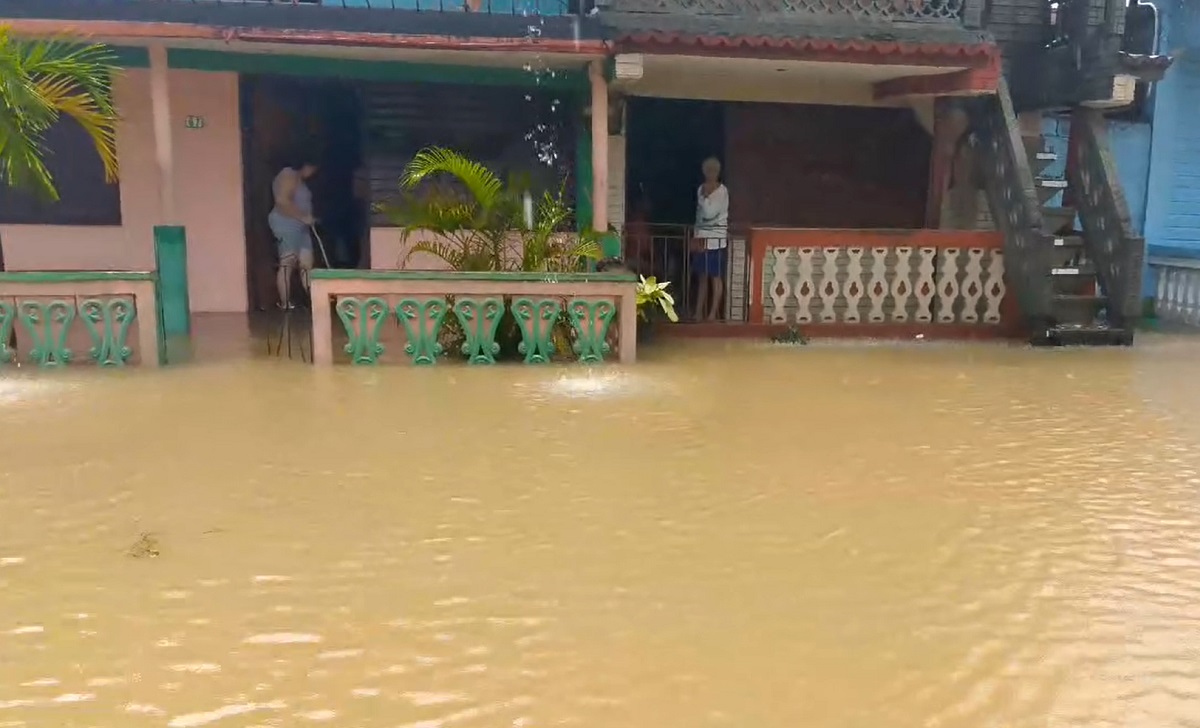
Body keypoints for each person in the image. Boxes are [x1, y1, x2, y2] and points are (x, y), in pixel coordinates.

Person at [268, 157, 318, 309]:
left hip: (302, 226)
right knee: (287, 263)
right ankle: (285, 303)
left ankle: (314, 300)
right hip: (286, 224)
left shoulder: (300, 179)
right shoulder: (288, 175)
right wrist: (303, 216)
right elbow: (282, 201)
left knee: (306, 263)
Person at [691, 156, 729, 321]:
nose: (710, 174)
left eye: (713, 171)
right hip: (702, 238)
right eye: (707, 170)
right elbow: (699, 216)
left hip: (716, 239)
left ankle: (713, 313)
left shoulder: (722, 191)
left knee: (715, 276)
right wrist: (696, 236)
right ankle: (698, 312)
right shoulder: (701, 188)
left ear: (718, 172)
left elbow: (709, 213)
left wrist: (705, 197)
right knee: (702, 277)